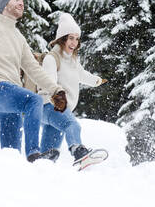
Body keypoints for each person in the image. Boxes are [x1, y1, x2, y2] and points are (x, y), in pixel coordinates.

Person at [0, 0, 68, 162]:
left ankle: (11, 178)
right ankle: (34, 153)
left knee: (10, 156)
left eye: (22, 0)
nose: (21, 3)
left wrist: (55, 90)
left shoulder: (19, 37)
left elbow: (34, 68)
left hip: (10, 98)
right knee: (33, 100)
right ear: (4, 4)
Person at [38, 13, 107, 164]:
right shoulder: (52, 58)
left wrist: (96, 81)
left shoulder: (72, 61)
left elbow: (81, 74)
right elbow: (49, 83)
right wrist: (57, 97)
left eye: (76, 38)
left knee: (50, 153)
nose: (74, 42)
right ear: (62, 39)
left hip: (58, 107)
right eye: (70, 38)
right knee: (71, 124)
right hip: (49, 105)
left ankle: (41, 166)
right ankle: (78, 151)